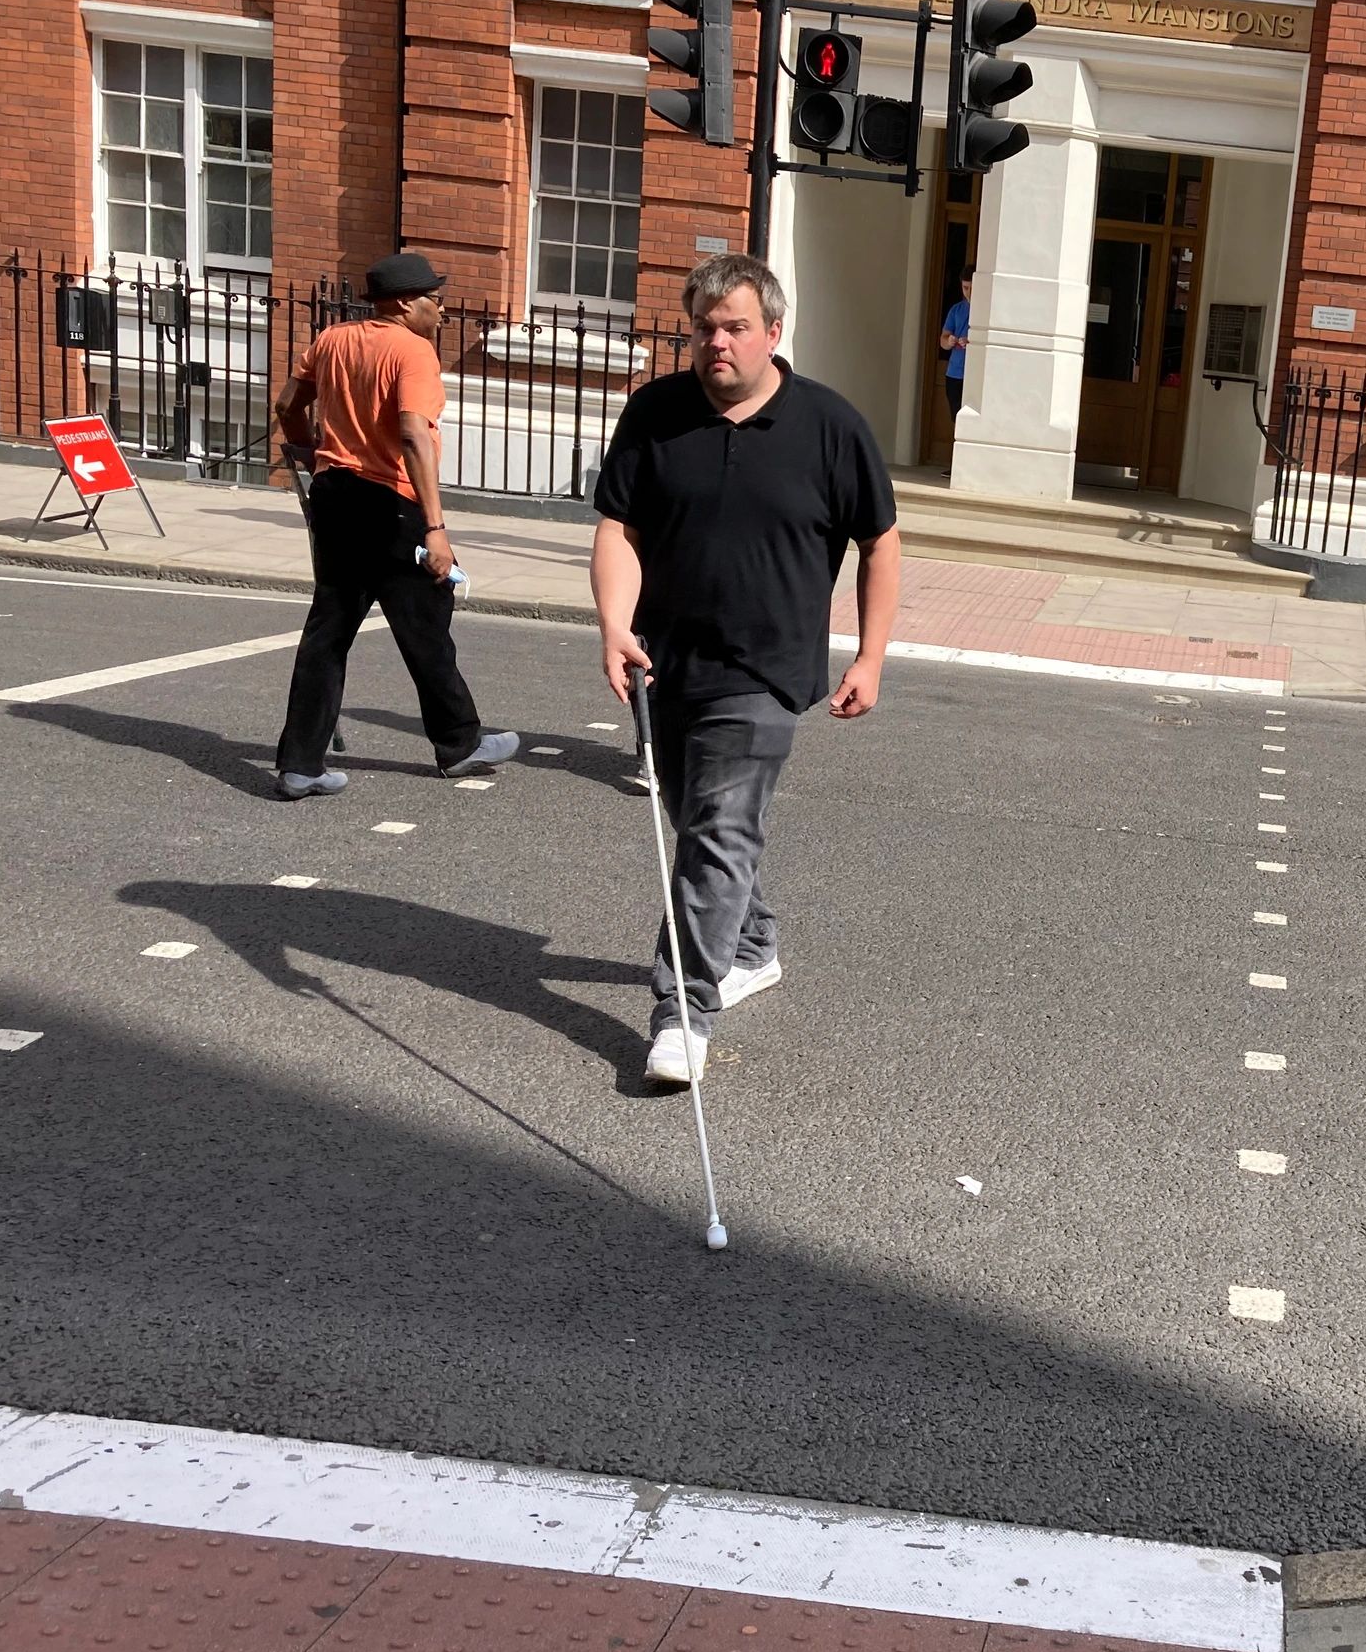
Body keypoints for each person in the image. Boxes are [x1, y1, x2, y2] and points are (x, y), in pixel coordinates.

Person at [591, 253, 903, 1087]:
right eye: (703, 328)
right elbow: (618, 527)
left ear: (773, 331)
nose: (715, 343)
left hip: (766, 671)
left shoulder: (832, 427)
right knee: (702, 826)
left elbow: (880, 544)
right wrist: (614, 626)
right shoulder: (656, 413)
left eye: (733, 328)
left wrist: (870, 657)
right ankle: (753, 943)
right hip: (663, 665)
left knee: (719, 832)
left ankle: (683, 1012)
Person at [272, 251, 518, 799]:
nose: (442, 310)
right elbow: (412, 435)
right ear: (407, 303)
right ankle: (459, 744)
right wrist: (436, 528)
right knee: (426, 621)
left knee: (328, 632)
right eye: (435, 300)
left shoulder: (332, 340)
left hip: (335, 496)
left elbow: (287, 405)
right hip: (391, 505)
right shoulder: (413, 351)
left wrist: (316, 457)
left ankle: (300, 764)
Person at [938, 270, 973, 421]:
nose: (969, 293)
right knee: (957, 420)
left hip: (974, 375)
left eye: (973, 288)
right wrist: (949, 341)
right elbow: (943, 341)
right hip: (955, 373)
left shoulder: (986, 310)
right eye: (966, 288)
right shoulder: (956, 309)